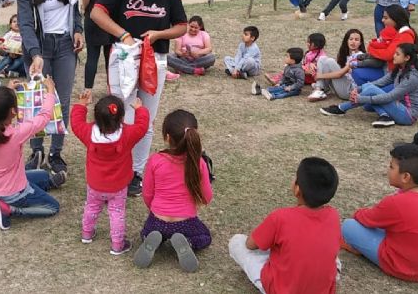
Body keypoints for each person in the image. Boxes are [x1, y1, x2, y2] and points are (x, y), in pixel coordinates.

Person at [90, 0, 188, 196]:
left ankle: (136, 171)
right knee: (121, 115)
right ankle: (118, 165)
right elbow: (96, 13)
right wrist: (122, 34)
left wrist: (159, 34)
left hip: (155, 61)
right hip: (124, 59)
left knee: (146, 118)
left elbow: (182, 26)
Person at [16, 0, 83, 175]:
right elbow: (25, 23)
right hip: (39, 46)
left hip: (65, 45)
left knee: (61, 100)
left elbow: (76, 10)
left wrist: (78, 30)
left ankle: (56, 152)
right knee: (36, 100)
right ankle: (36, 151)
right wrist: (35, 53)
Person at [341, 144, 418, 282]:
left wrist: (359, 212)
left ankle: (359, 248)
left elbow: (365, 219)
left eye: (391, 167)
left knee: (348, 226)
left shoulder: (397, 202)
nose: (388, 170)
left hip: (410, 269)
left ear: (405, 177)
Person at [229, 157, 340, 294]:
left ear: (297, 189)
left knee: (236, 242)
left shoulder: (280, 217)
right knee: (331, 258)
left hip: (282, 289)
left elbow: (250, 244)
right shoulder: (334, 216)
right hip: (321, 289)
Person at [132, 110, 213, 273]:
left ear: (167, 137)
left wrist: (154, 209)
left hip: (157, 220)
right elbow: (206, 197)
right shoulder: (198, 163)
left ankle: (150, 238)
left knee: (147, 232)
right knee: (204, 237)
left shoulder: (155, 160)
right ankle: (188, 243)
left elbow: (147, 193)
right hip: (186, 221)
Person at [0, 79, 66, 230]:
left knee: (42, 174)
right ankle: (10, 210)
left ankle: (48, 183)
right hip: (15, 193)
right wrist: (51, 92)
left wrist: (8, 91)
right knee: (53, 207)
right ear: (13, 112)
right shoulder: (15, 134)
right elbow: (44, 117)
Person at [70, 92, 149, 255]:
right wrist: (140, 110)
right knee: (117, 213)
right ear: (121, 118)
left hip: (95, 184)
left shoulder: (88, 133)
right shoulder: (127, 135)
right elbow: (142, 127)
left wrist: (81, 105)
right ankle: (117, 245)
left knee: (91, 207)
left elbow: (76, 123)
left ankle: (86, 234)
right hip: (118, 186)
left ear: (96, 117)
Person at [320, 43, 418, 128]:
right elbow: (380, 82)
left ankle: (341, 108)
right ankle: (385, 116)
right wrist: (358, 89)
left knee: (371, 91)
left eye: (397, 54)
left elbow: (390, 97)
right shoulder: (401, 69)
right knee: (370, 89)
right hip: (398, 106)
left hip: (408, 115)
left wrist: (361, 98)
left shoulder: (412, 76)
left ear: (407, 58)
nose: (393, 56)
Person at [351, 4, 418, 86]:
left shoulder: (405, 35)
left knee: (369, 88)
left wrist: (371, 49)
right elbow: (383, 45)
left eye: (386, 18)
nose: (382, 20)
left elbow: (388, 55)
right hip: (387, 69)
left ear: (395, 19)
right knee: (357, 73)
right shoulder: (395, 30)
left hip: (396, 76)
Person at [308, 29, 366, 102]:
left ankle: (319, 88)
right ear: (347, 41)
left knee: (329, 61)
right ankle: (320, 89)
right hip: (343, 86)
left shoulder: (359, 56)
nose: (353, 42)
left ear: (360, 43)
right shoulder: (347, 55)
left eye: (356, 40)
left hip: (350, 91)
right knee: (323, 59)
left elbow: (339, 74)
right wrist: (312, 64)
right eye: (351, 39)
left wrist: (320, 76)